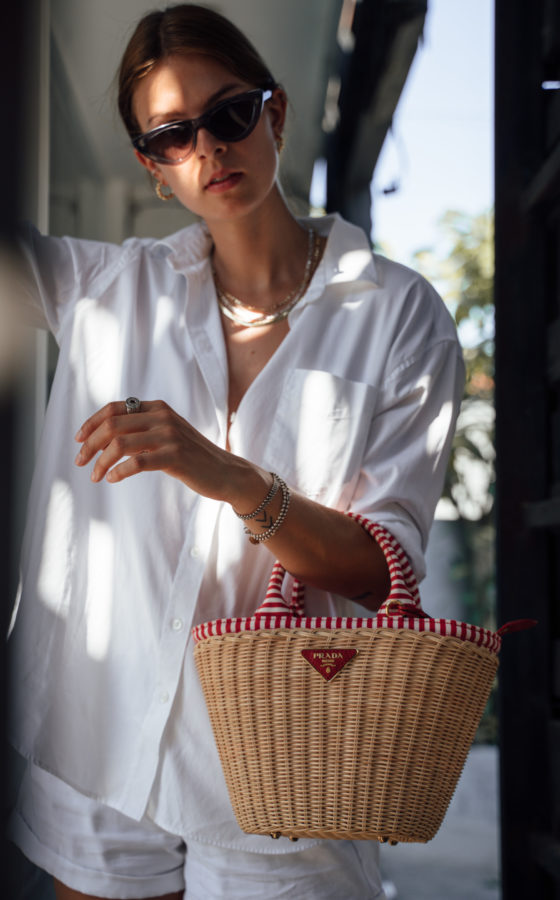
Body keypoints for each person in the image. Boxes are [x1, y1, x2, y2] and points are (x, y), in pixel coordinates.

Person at [7, 4, 465, 899]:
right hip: (99, 739)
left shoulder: (399, 314)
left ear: (277, 113)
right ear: (151, 167)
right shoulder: (104, 289)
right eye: (174, 135)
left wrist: (228, 478)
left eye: (230, 114)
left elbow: (381, 571)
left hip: (288, 765)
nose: (210, 148)